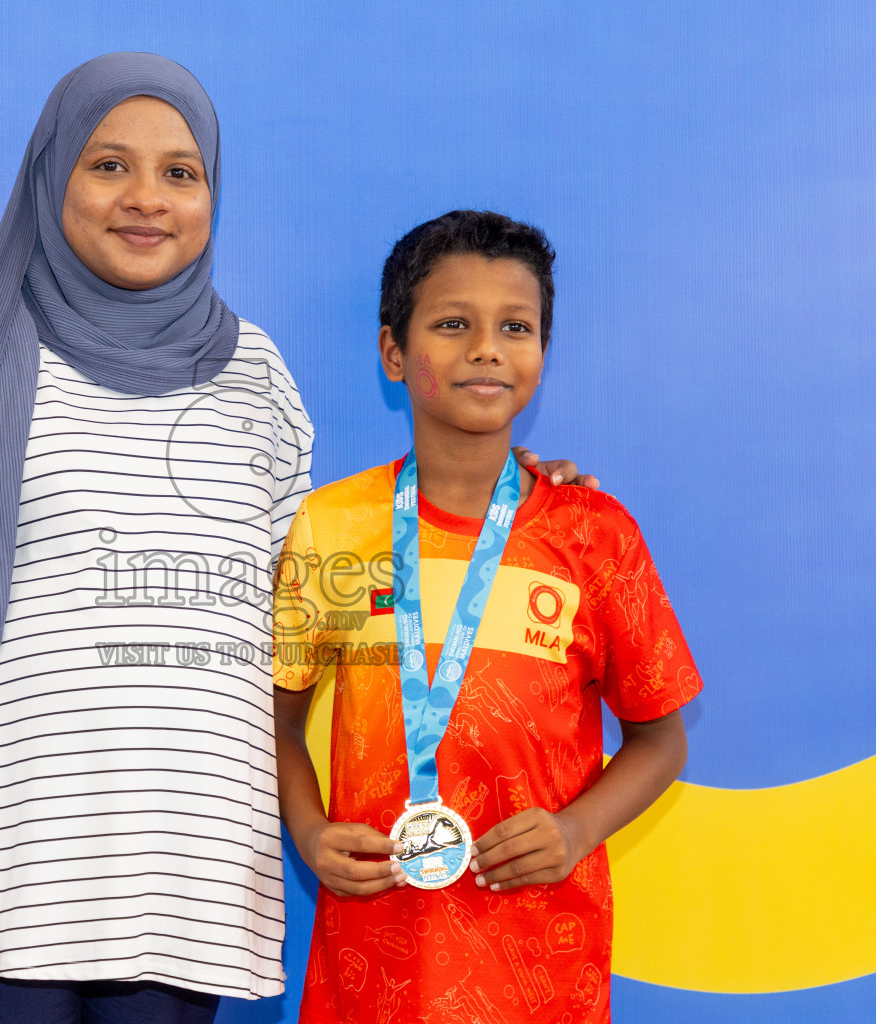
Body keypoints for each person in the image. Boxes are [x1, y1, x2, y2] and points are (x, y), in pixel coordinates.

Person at [0, 54, 594, 1024]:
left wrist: (513, 495)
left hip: (189, 898)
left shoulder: (256, 377)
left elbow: (304, 616)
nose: (147, 198)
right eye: (110, 165)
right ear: (50, 173)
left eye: (180, 172)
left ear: (212, 194)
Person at [272, 211, 699, 1023]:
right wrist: (310, 828)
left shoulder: (594, 534)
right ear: (394, 352)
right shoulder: (335, 526)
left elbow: (661, 738)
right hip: (372, 959)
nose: (486, 348)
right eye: (452, 324)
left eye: (516, 326)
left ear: (542, 350)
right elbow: (280, 719)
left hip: (541, 961)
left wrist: (574, 832)